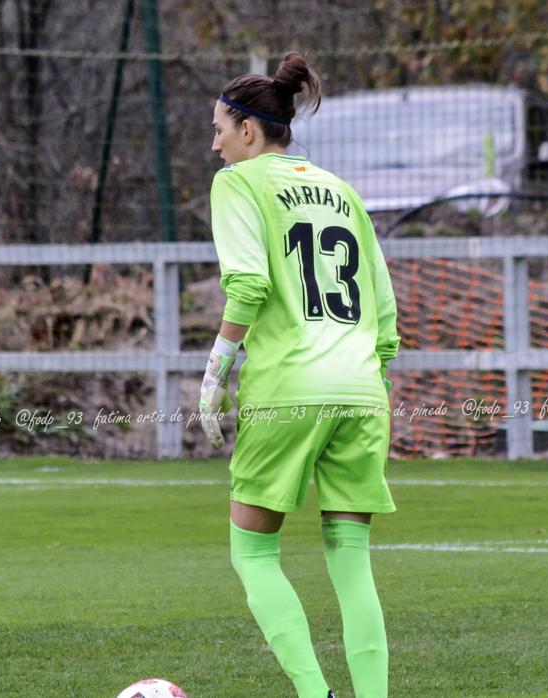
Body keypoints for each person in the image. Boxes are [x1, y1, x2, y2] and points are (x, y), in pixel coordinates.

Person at [198, 52, 400, 698]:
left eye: (220, 130)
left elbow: (250, 283)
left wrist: (216, 371)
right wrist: (364, 377)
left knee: (253, 552)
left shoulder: (239, 184)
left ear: (250, 132)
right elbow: (387, 318)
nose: (215, 145)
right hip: (363, 389)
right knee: (351, 560)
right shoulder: (342, 191)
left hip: (289, 389)